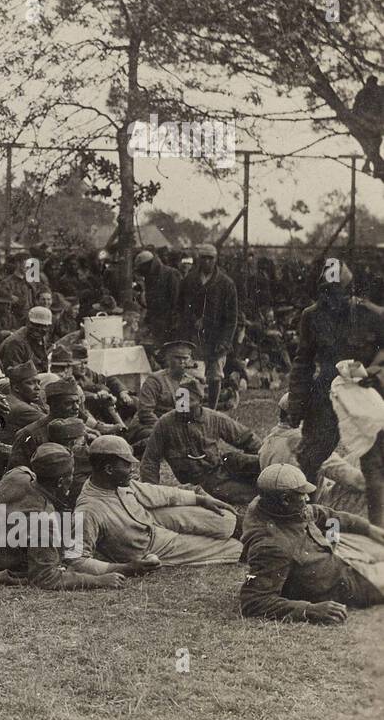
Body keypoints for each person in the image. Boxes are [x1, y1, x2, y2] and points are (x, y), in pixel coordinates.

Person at [0, 444, 132, 589]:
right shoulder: (43, 519)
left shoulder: (18, 475)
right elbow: (46, 577)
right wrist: (98, 580)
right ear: (60, 482)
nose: (72, 480)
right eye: (70, 475)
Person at [68, 435, 241, 571]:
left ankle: (243, 528)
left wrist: (201, 499)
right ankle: (250, 546)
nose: (132, 470)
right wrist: (124, 568)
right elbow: (77, 560)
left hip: (153, 520)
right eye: (127, 466)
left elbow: (157, 493)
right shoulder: (89, 510)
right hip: (151, 548)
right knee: (232, 548)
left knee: (224, 518)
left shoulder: (113, 482)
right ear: (109, 469)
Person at [240, 463, 384, 622]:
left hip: (334, 551)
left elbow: (327, 515)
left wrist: (369, 529)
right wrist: (309, 610)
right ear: (286, 499)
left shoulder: (274, 505)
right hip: (341, 584)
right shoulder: (271, 545)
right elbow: (254, 601)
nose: (307, 498)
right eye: (302, 494)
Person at [287, 262, 384, 479]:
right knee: (310, 456)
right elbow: (303, 363)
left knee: (374, 456)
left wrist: (373, 371)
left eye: (336, 292)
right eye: (326, 292)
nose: (330, 300)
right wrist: (296, 403)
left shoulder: (370, 315)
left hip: (365, 390)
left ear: (350, 291)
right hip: (327, 390)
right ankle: (305, 506)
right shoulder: (311, 316)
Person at [140, 377, 261, 509]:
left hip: (225, 464)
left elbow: (247, 438)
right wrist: (152, 493)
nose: (183, 404)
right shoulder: (165, 424)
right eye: (179, 399)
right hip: (206, 482)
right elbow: (150, 461)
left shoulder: (214, 418)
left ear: (200, 401)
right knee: (251, 493)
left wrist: (259, 456)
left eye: (189, 400)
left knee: (261, 464)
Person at [175, 243, 237, 407]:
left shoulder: (226, 283)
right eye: (204, 258)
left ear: (216, 260)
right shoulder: (189, 281)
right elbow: (180, 307)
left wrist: (225, 340)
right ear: (198, 259)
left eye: (211, 259)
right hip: (193, 336)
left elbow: (232, 318)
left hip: (216, 338)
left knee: (215, 376)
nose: (207, 262)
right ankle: (184, 409)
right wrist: (190, 322)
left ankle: (212, 410)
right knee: (189, 374)